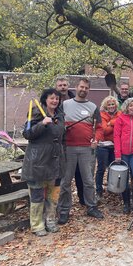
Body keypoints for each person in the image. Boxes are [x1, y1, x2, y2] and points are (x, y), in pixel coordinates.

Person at [57, 78, 104, 224]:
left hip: (86, 149)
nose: (83, 90)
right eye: (81, 87)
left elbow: (100, 128)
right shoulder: (64, 104)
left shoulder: (93, 107)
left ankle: (91, 206)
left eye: (86, 88)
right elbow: (57, 122)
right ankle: (64, 210)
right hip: (68, 148)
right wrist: (61, 128)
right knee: (65, 182)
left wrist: (96, 139)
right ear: (76, 87)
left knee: (88, 181)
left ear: (89, 90)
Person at [22, 88, 64, 236]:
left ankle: (50, 221)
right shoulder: (36, 112)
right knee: (37, 195)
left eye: (57, 99)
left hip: (56, 161)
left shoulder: (59, 115)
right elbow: (27, 134)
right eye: (52, 98)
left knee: (54, 195)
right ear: (45, 99)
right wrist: (42, 124)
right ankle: (37, 225)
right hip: (38, 161)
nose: (55, 101)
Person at [55, 76, 84, 206]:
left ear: (68, 86)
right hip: (59, 143)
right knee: (61, 174)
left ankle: (83, 198)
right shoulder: (52, 100)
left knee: (79, 172)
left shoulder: (74, 99)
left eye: (65, 85)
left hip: (74, 141)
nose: (63, 87)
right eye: (60, 85)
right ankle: (58, 201)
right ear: (56, 87)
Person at [95, 96, 121, 199]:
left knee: (112, 168)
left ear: (116, 105)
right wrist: (115, 123)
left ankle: (111, 188)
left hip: (115, 145)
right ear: (106, 105)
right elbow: (104, 130)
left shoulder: (120, 114)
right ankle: (99, 190)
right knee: (101, 168)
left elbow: (121, 127)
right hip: (103, 145)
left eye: (113, 104)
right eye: (109, 104)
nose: (111, 106)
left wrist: (111, 122)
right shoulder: (101, 115)